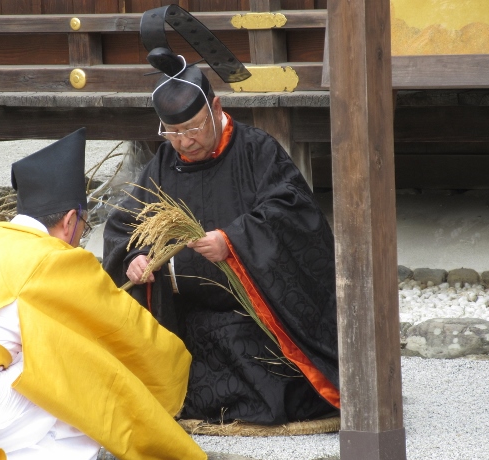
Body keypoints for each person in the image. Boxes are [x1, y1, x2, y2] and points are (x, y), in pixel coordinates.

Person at [0, 128, 206, 460]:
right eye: (83, 225)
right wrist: (177, 367)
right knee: (77, 385)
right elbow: (122, 322)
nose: (80, 234)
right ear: (71, 220)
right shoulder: (51, 256)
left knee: (31, 345)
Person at [103, 42, 340, 425]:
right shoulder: (164, 164)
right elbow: (126, 223)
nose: (185, 141)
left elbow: (292, 214)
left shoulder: (256, 151)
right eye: (173, 133)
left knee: (261, 365)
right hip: (185, 316)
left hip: (254, 314)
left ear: (216, 109)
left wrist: (232, 241)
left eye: (193, 128)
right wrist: (135, 258)